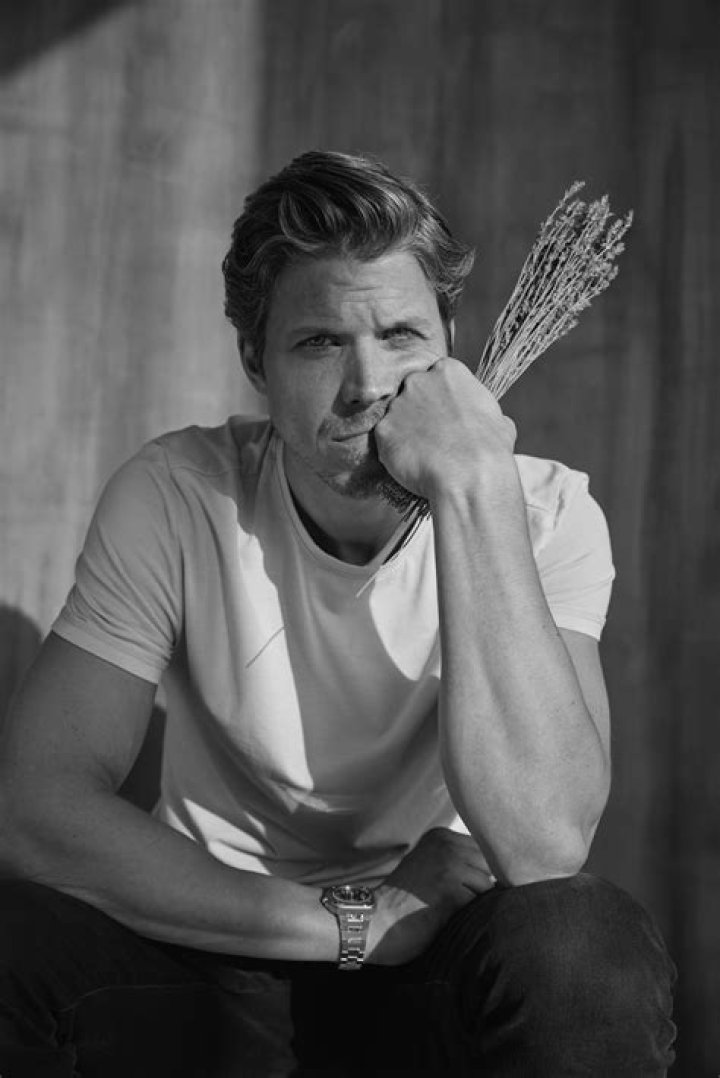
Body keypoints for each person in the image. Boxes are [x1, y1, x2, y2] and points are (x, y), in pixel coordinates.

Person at [0, 150, 676, 1076]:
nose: (368, 386)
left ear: (450, 344)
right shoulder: (178, 495)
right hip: (223, 941)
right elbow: (37, 811)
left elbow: (545, 844)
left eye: (401, 336)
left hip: (439, 952)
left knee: (582, 942)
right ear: (256, 361)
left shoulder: (543, 512)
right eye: (321, 343)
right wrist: (351, 923)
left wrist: (472, 484)